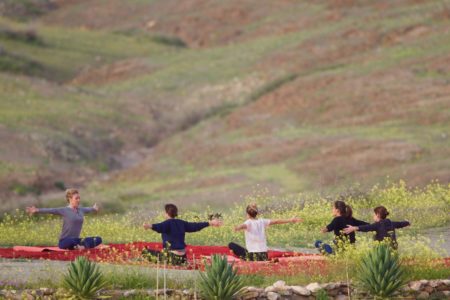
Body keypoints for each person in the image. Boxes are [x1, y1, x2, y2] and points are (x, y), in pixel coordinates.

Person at [143, 203, 222, 265]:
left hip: (172, 257)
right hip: (183, 258)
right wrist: (210, 223)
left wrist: (150, 226)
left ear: (166, 213)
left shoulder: (166, 223)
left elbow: (159, 227)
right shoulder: (181, 223)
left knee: (145, 252)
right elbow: (195, 226)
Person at [26, 188, 102, 250]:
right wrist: (37, 210)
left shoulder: (81, 210)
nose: (78, 200)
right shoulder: (64, 210)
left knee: (98, 239)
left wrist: (94, 208)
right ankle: (78, 246)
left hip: (76, 240)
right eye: (76, 198)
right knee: (71, 241)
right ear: (70, 199)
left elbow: (89, 209)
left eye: (79, 198)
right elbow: (51, 210)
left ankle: (81, 247)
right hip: (64, 241)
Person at [229, 204, 302, 261]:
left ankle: (243, 260)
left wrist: (237, 228)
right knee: (245, 250)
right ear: (256, 213)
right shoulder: (262, 221)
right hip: (264, 255)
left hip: (253, 257)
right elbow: (276, 221)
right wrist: (291, 220)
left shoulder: (248, 222)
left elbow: (243, 225)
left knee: (231, 245)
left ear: (247, 214)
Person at [343, 206, 410, 249]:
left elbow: (367, 227)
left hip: (383, 250)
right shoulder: (391, 223)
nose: (373, 216)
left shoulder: (378, 224)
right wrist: (407, 222)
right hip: (393, 248)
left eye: (374, 214)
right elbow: (400, 224)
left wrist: (354, 228)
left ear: (377, 215)